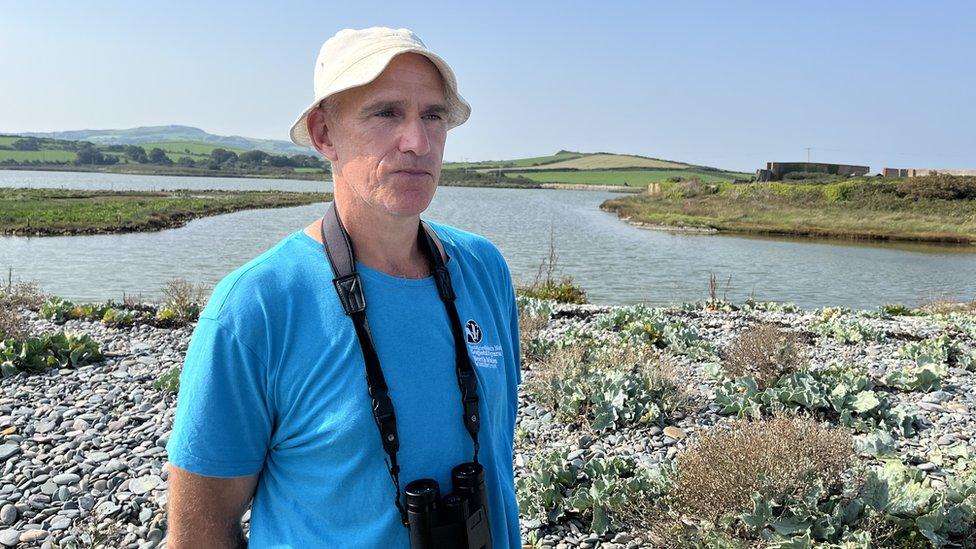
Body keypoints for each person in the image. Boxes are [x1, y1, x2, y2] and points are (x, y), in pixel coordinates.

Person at [164, 27, 522, 548]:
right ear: (323, 133)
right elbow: (200, 532)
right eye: (386, 113)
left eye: (433, 116)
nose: (417, 142)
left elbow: (495, 453)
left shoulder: (484, 269)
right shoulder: (256, 307)